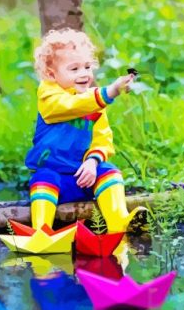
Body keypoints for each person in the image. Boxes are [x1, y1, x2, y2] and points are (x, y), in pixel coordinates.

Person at [24, 28, 147, 233]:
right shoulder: (48, 95)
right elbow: (70, 105)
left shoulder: (94, 103)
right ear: (51, 74)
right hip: (55, 177)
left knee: (109, 172)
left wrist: (92, 161)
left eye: (87, 67)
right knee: (43, 178)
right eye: (74, 69)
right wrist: (110, 92)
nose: (84, 74)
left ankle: (119, 222)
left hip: (84, 176)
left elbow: (102, 139)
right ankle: (42, 232)